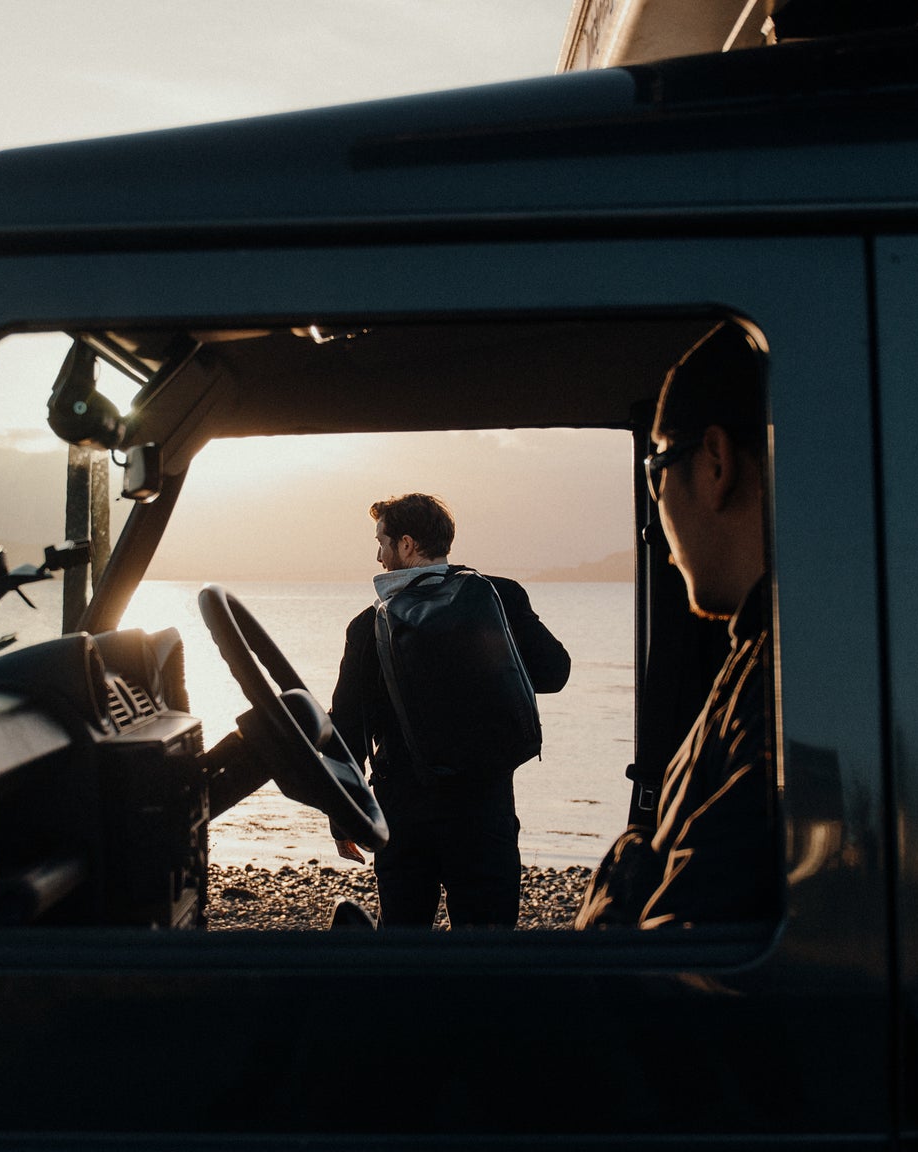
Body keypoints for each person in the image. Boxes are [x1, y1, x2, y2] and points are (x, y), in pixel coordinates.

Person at [576, 320, 778, 929]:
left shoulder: (782, 687)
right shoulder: (764, 650)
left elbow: (686, 958)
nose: (661, 542)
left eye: (655, 472)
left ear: (715, 463)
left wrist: (623, 868)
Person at [328, 493, 571, 928]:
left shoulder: (368, 625)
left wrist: (343, 819)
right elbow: (555, 673)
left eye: (381, 542)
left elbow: (345, 729)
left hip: (402, 811)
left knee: (403, 946)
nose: (378, 556)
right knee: (486, 951)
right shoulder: (500, 598)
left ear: (406, 545)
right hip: (484, 807)